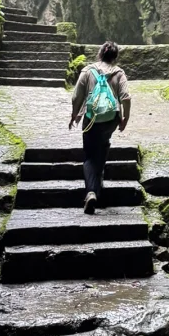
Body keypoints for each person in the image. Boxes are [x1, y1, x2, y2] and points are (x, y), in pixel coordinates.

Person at [69, 40, 131, 214]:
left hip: (90, 118)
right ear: (115, 56)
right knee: (102, 147)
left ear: (100, 54)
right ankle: (97, 186)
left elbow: (76, 97)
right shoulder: (119, 73)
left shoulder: (88, 71)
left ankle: (91, 192)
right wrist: (125, 118)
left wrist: (75, 114)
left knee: (89, 155)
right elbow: (126, 97)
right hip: (111, 118)